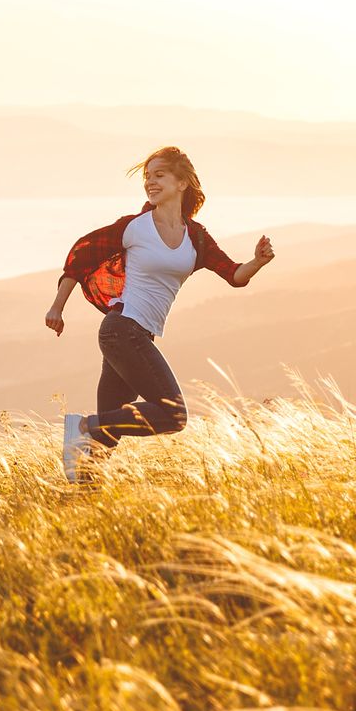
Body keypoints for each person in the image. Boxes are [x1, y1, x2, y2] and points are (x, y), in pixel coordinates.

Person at [45, 146, 275, 482]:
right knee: (173, 415)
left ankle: (84, 495)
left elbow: (234, 275)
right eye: (147, 177)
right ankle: (83, 426)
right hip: (123, 330)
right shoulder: (134, 227)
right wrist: (57, 306)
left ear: (182, 183)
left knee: (107, 439)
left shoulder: (195, 237)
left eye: (159, 175)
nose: (150, 182)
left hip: (133, 334)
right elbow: (80, 256)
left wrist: (258, 262)